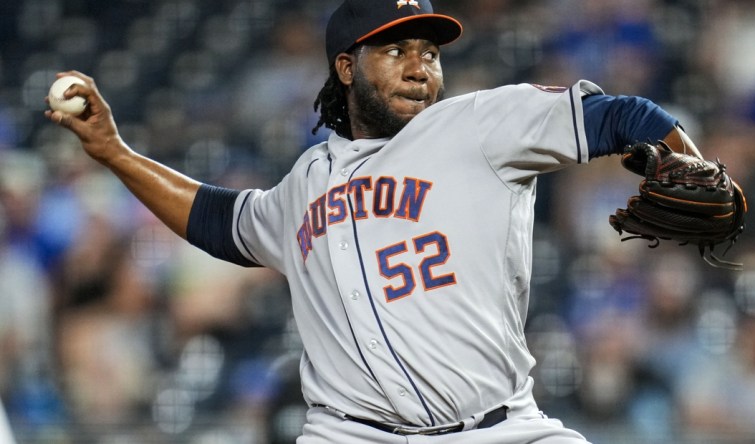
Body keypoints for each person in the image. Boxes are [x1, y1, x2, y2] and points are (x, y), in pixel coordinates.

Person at [46, 1, 713, 442]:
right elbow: (221, 221)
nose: (420, 65)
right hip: (351, 433)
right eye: (395, 51)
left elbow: (625, 116)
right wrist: (114, 152)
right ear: (346, 68)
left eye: (429, 50)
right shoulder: (306, 181)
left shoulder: (481, 125)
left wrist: (694, 171)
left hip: (498, 430)